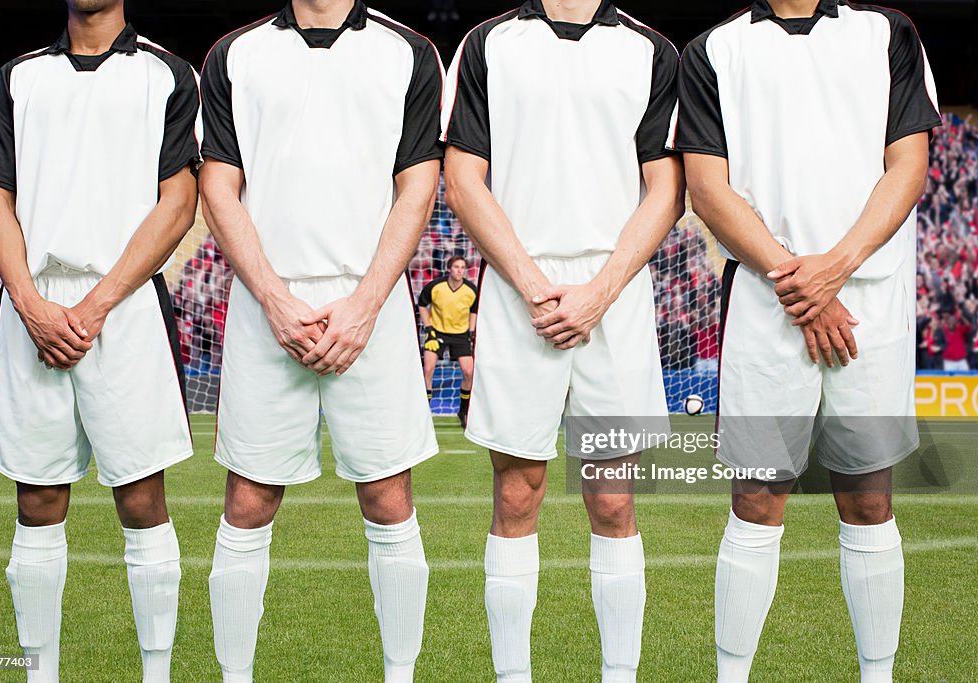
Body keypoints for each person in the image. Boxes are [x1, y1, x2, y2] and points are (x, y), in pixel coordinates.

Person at [675, 0, 941, 680]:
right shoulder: (715, 50)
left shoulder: (889, 34)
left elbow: (908, 165)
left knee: (869, 496)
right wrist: (801, 280)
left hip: (868, 300)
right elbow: (707, 188)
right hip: (769, 303)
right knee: (757, 499)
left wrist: (838, 266)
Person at [198, 1, 443, 680]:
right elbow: (218, 186)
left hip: (373, 299)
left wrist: (365, 305)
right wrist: (274, 298)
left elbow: (418, 186)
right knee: (248, 499)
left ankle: (401, 673)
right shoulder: (235, 54)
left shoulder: (409, 51)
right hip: (264, 299)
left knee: (389, 496)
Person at [442, 0, 684, 679]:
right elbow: (461, 179)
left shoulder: (650, 50)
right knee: (516, 494)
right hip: (522, 293)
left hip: (617, 295)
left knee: (613, 498)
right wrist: (531, 283)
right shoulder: (488, 43)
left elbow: (666, 189)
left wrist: (600, 292)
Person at [0, 0, 200, 680]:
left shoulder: (167, 74)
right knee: (37, 499)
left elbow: (178, 203)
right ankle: (41, 672)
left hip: (122, 305)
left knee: (142, 497)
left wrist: (95, 305)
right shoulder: (19, 77)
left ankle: (156, 671)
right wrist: (32, 304)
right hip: (31, 302)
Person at [417, 254, 478, 426]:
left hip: (460, 334)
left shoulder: (470, 290)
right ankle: (424, 412)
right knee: (428, 369)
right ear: (449, 269)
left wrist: (471, 331)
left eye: (462, 267)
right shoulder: (436, 286)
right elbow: (422, 304)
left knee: (469, 372)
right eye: (456, 267)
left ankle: (463, 411)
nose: (459, 270)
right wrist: (428, 328)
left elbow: (474, 310)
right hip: (437, 333)